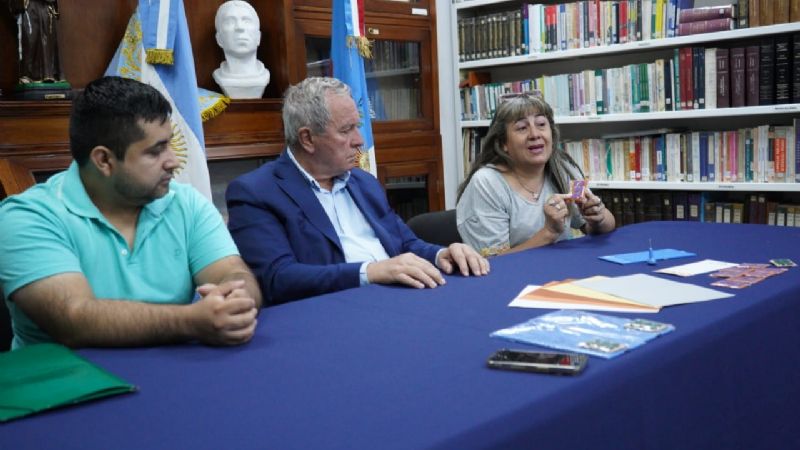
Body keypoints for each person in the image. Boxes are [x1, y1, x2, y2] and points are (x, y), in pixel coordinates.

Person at [0, 76, 262, 349]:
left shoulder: (185, 203)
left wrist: (237, 295)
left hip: (175, 372)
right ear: (104, 160)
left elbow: (232, 272)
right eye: (156, 151)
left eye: (170, 144)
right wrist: (190, 321)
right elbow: (73, 319)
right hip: (66, 384)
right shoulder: (27, 217)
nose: (173, 161)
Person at [226, 77, 489, 306]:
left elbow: (405, 244)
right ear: (307, 139)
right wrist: (370, 272)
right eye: (346, 130)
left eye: (357, 125)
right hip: (335, 312)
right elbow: (279, 278)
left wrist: (442, 254)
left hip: (401, 298)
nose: (360, 140)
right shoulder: (255, 192)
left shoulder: (363, 182)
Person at [456, 92, 615, 256]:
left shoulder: (565, 167)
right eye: (522, 128)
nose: (534, 134)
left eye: (541, 124)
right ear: (503, 143)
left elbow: (601, 226)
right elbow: (493, 261)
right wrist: (549, 233)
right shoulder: (486, 182)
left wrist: (599, 217)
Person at [212, 0, 270, 99]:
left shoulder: (265, 76)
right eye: (229, 22)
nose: (240, 27)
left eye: (247, 21)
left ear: (258, 37)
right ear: (219, 39)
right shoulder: (219, 76)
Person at [9, 0, 65, 84]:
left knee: (48, 43)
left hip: (46, 8)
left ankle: (49, 74)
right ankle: (29, 75)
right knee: (30, 41)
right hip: (30, 7)